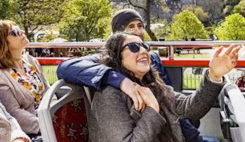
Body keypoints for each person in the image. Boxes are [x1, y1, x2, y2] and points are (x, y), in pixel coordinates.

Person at [89, 32, 240, 142]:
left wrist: (214, 75)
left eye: (145, 46)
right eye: (134, 47)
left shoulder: (154, 86)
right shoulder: (108, 95)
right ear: (116, 56)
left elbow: (191, 108)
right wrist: (153, 108)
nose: (143, 51)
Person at [57, 9, 171, 111]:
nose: (138, 31)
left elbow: (169, 98)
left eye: (140, 26)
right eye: (131, 26)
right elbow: (65, 67)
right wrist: (120, 81)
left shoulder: (153, 58)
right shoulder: (106, 59)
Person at [0, 20, 49, 140]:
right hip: (30, 131)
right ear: (2, 43)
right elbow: (12, 112)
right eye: (15, 32)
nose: (22, 32)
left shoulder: (30, 60)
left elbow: (48, 92)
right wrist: (48, 126)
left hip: (49, 119)